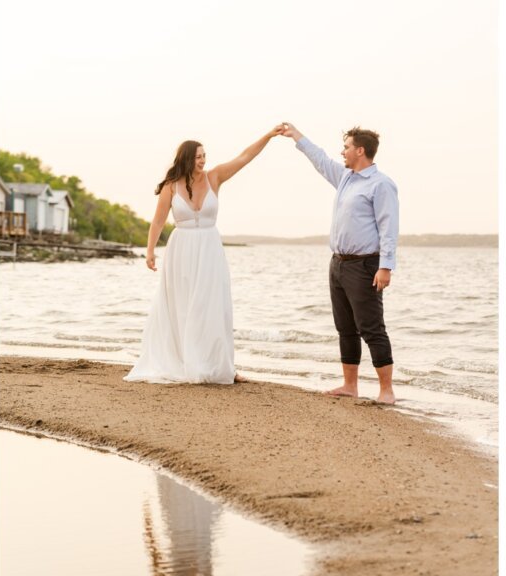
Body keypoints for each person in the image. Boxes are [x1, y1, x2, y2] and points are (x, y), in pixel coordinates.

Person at [125, 126, 284, 385]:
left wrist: (268, 136)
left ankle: (223, 367)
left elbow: (245, 157)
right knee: (182, 306)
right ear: (187, 158)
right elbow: (157, 222)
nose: (203, 160)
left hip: (209, 249)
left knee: (213, 307)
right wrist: (150, 251)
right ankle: (186, 362)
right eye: (198, 156)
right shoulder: (170, 187)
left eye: (204, 155)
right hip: (181, 249)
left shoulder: (215, 177)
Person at [279, 123, 399, 405]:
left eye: (346, 146)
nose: (342, 151)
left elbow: (388, 227)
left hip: (365, 265)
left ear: (360, 150)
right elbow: (320, 159)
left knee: (371, 328)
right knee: (345, 327)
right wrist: (297, 135)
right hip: (338, 264)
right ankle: (350, 385)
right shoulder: (346, 178)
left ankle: (387, 391)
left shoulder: (381, 184)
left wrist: (386, 266)